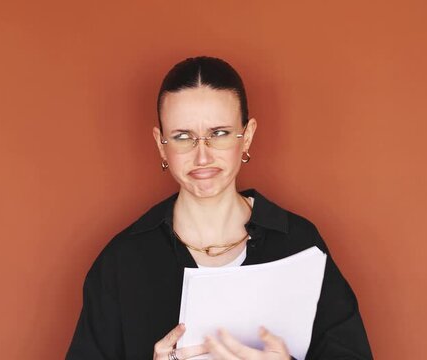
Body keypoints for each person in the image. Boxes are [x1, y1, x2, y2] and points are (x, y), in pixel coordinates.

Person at [66, 56, 373, 360]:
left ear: (247, 136)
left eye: (220, 134)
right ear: (162, 144)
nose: (202, 157)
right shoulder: (122, 262)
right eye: (183, 137)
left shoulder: (299, 244)